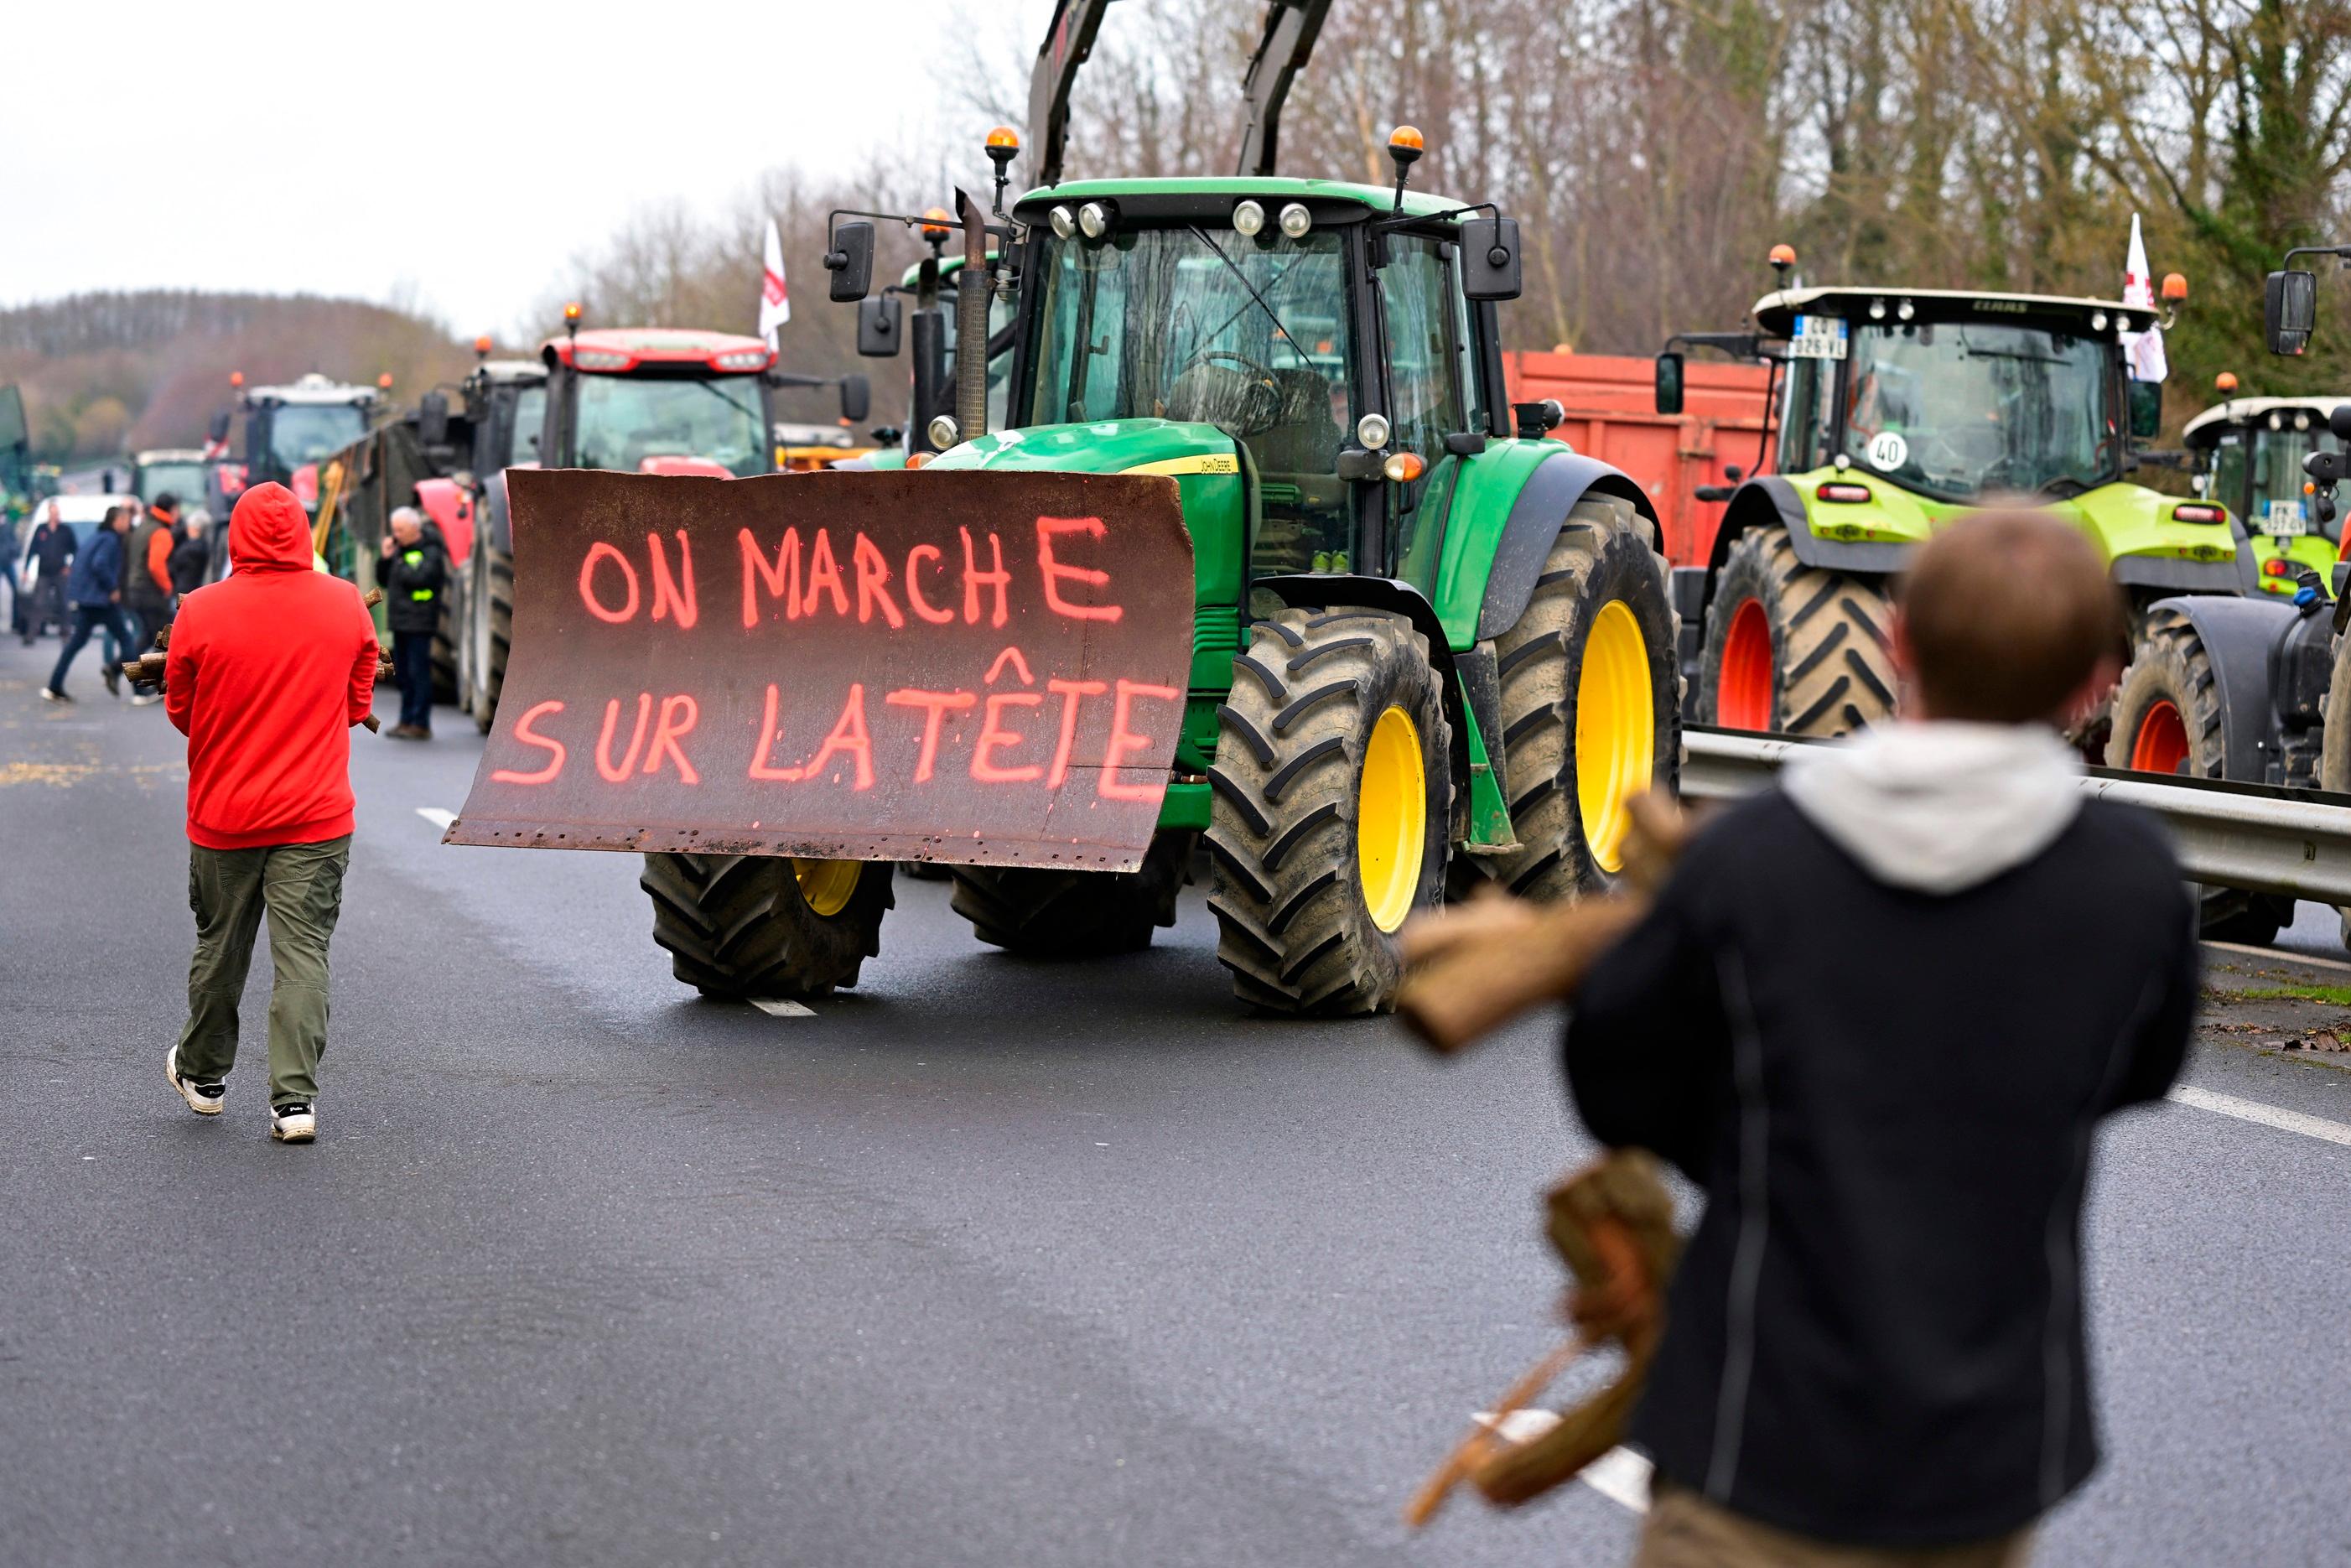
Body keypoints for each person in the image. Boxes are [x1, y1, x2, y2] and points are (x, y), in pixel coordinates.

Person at [1564, 511, 2196, 1568]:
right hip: (1980, 1475)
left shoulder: (1749, 861)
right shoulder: (2132, 887)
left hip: (1746, 1447)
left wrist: (1751, 1144)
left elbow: (1611, 1072)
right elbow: (2138, 1067)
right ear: (2093, 682)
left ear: (1896, 640)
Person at [162, 482, 380, 1145]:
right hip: (315, 819)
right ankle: (294, 1103)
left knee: (221, 948)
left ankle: (203, 1077)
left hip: (225, 815)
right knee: (304, 955)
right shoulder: (345, 603)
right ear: (301, 536)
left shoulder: (200, 611)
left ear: (236, 536)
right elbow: (358, 696)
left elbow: (180, 708)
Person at [40, 505, 130, 702]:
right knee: (127, 642)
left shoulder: (97, 537)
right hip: (101, 601)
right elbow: (99, 564)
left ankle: (54, 685)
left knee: (76, 643)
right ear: (117, 521)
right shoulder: (110, 540)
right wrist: (112, 587)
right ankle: (139, 690)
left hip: (87, 600)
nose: (128, 523)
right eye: (125, 520)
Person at [377, 506, 446, 740]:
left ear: (414, 528)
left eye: (401, 530)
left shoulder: (430, 551)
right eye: (394, 529)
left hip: (419, 622)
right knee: (405, 674)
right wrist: (386, 559)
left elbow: (421, 578)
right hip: (401, 622)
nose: (396, 535)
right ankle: (406, 720)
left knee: (419, 673)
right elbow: (383, 579)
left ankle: (420, 722)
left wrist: (398, 563)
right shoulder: (399, 551)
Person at [122, 492, 181, 706]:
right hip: (151, 591)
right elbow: (156, 565)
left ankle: (130, 678)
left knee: (148, 636)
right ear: (171, 509)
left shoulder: (144, 525)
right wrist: (167, 587)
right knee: (167, 637)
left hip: (136, 589)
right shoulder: (161, 531)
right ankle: (146, 686)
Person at [24, 500, 75, 644]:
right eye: (53, 513)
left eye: (57, 514)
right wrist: (26, 570)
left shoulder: (65, 530)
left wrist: (70, 567)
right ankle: (31, 634)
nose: (55, 516)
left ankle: (65, 633)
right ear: (49, 514)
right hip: (44, 572)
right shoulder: (42, 529)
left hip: (60, 572)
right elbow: (32, 550)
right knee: (38, 603)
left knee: (64, 604)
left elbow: (75, 550)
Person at [169, 510, 212, 599]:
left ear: (195, 528)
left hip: (182, 591)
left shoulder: (190, 548)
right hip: (193, 589)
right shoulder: (204, 546)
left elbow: (173, 564)